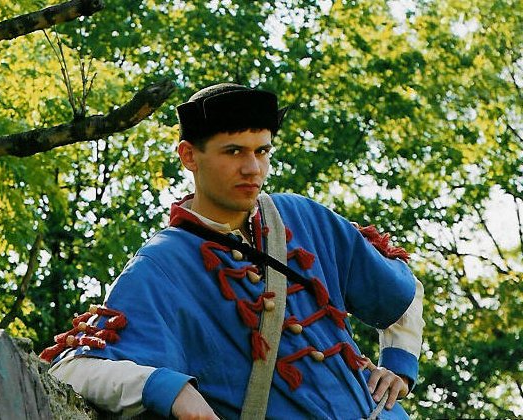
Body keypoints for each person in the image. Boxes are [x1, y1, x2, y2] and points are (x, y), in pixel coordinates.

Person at [42, 83, 424, 419]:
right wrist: (173, 392)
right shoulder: (162, 264)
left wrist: (399, 365)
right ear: (189, 156)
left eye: (262, 151)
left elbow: (401, 290)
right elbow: (72, 369)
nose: (253, 168)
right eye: (234, 151)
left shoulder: (303, 217)